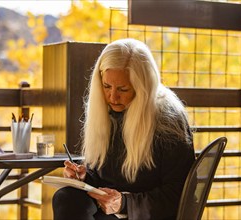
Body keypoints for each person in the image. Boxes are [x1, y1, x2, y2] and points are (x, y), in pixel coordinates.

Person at [52, 38, 196, 220]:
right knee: (66, 198)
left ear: (143, 87)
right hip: (109, 211)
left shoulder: (168, 121)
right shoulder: (106, 112)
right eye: (106, 86)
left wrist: (125, 203)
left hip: (143, 213)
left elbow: (180, 195)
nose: (113, 97)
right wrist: (85, 178)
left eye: (123, 89)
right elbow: (105, 178)